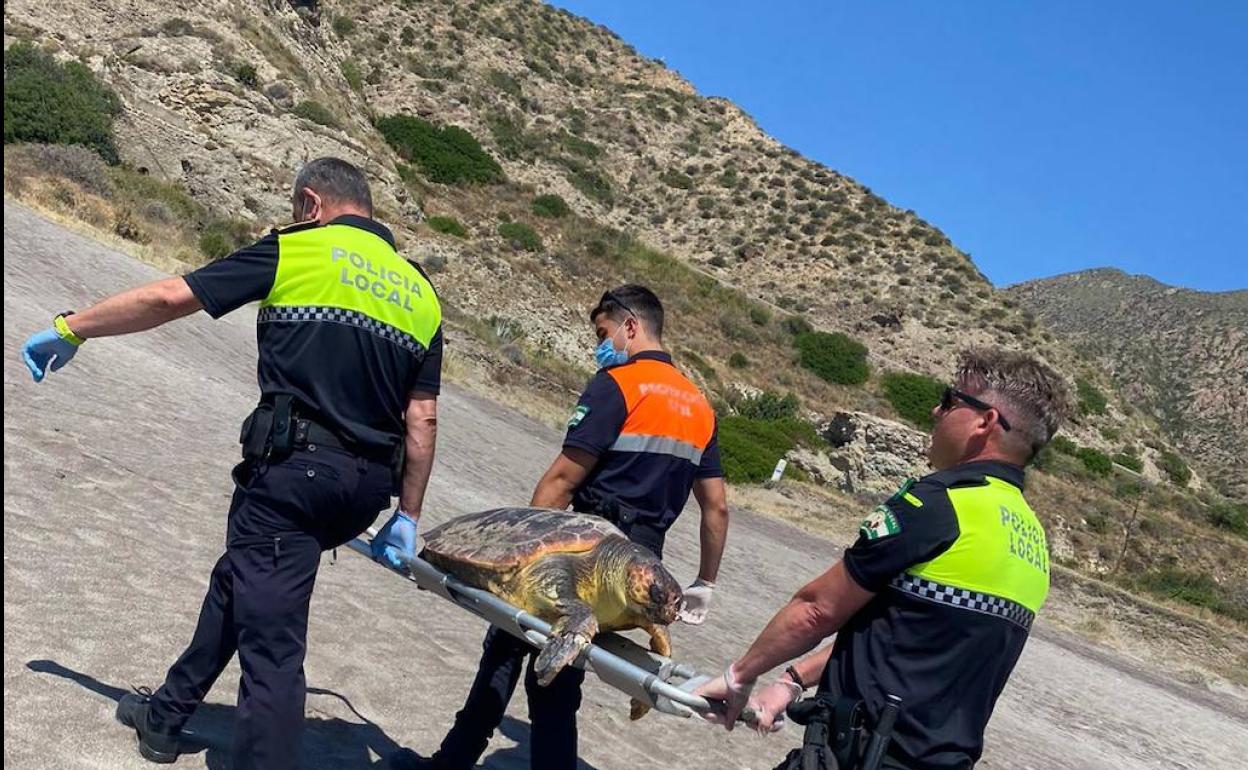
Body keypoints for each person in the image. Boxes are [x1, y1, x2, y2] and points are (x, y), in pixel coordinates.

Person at [21, 157, 443, 769]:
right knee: (242, 580)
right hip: (363, 493)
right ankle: (165, 716)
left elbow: (170, 296)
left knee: (272, 651)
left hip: (294, 475)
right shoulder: (421, 294)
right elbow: (423, 418)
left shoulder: (299, 251)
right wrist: (408, 512)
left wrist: (73, 327)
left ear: (310, 204)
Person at [391, 284, 731, 770]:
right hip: (643, 565)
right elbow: (716, 507)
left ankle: (451, 762)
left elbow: (562, 480)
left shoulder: (617, 385)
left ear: (630, 326)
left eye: (603, 332)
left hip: (584, 550)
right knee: (560, 676)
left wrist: (521, 547)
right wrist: (705, 583)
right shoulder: (700, 407)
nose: (601, 343)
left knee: (512, 653)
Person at [698, 348, 1072, 770]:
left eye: (950, 401)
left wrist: (739, 676)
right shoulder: (1031, 540)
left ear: (985, 422)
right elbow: (906, 632)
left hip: (861, 757)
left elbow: (817, 609)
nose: (936, 410)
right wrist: (793, 679)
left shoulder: (939, 506)